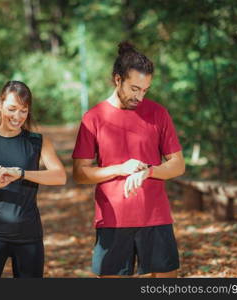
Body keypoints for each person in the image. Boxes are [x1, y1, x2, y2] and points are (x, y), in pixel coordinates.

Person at [72, 42, 185, 278]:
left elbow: (178, 164)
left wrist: (149, 172)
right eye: (134, 88)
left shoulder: (158, 113)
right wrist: (121, 169)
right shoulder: (93, 118)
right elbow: (80, 173)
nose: (140, 96)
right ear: (117, 79)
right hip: (112, 219)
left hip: (155, 215)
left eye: (145, 89)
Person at [0, 80, 66, 278]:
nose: (17, 117)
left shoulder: (38, 142)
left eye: (23, 111)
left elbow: (60, 176)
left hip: (29, 237)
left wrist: (22, 173)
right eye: (12, 109)